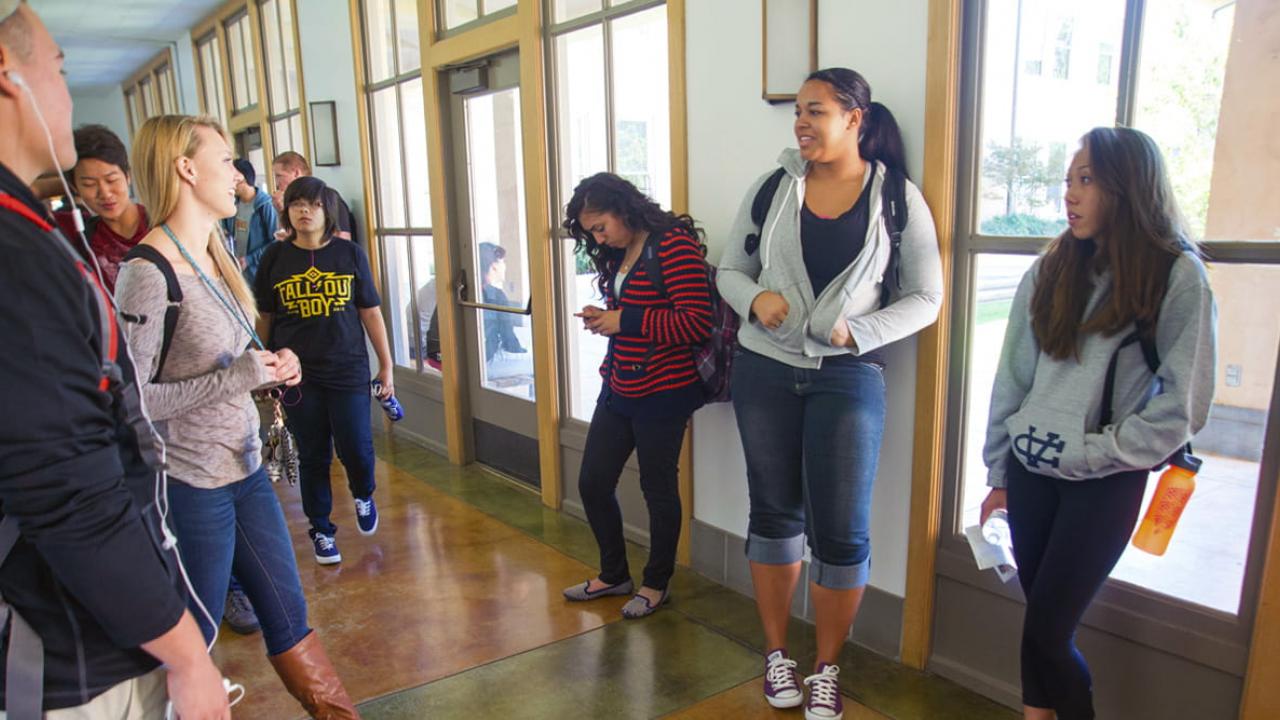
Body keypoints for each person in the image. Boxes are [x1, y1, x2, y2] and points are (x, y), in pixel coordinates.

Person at [0, 3, 229, 718]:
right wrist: (187, 656)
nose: (65, 92)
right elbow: (63, 483)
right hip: (74, 652)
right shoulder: (18, 256)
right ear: (11, 78)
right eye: (59, 70)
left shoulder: (26, 232)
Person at [716, 68, 943, 719]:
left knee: (842, 532)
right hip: (764, 369)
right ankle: (778, 655)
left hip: (848, 375)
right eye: (797, 113)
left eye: (815, 111)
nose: (802, 123)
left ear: (855, 119)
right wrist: (754, 297)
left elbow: (926, 297)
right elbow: (731, 268)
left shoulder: (897, 197)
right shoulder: (773, 187)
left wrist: (860, 330)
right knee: (774, 513)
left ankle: (826, 668)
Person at [115, 114, 360, 719]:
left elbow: (230, 358)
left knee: (288, 616)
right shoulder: (147, 274)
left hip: (245, 469)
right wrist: (240, 377)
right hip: (189, 484)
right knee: (193, 644)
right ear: (186, 168)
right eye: (226, 160)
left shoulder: (214, 252)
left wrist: (273, 365)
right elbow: (131, 402)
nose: (240, 174)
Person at [978, 127, 1216, 720]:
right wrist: (999, 473)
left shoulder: (1177, 276)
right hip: (1032, 473)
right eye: (1068, 181)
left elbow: (1182, 406)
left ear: (1126, 187)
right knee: (1039, 624)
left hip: (1104, 480)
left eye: (1086, 180)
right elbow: (1013, 378)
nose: (1070, 195)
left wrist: (1095, 451)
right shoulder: (1053, 267)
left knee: (1050, 631)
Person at [560, 172, 714, 619]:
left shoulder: (672, 244)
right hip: (621, 381)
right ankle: (614, 575)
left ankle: (656, 583)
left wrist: (623, 320)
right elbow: (638, 312)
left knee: (657, 488)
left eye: (601, 226)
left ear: (623, 209)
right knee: (592, 481)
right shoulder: (623, 250)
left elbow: (694, 322)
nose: (599, 239)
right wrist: (606, 317)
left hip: (665, 389)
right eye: (591, 232)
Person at [254, 176, 393, 566]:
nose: (304, 211)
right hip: (297, 375)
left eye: (312, 205)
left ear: (326, 210)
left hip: (347, 368)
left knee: (357, 447)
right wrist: (263, 365)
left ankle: (363, 493)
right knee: (313, 454)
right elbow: (266, 315)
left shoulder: (349, 255)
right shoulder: (275, 258)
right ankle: (321, 530)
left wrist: (386, 365)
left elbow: (370, 311)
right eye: (296, 204)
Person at [55, 123, 150, 291]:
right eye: (89, 184)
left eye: (111, 180)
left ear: (128, 176)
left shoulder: (158, 221)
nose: (105, 193)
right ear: (75, 188)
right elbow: (18, 192)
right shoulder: (79, 234)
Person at [270, 151, 360, 246]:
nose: (277, 183)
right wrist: (281, 211)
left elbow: (343, 240)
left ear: (296, 173)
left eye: (279, 176)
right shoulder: (290, 202)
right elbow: (292, 232)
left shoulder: (326, 196)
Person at [221, 157, 278, 284]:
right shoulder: (231, 205)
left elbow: (275, 241)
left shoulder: (265, 205)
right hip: (238, 271)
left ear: (246, 178)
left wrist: (250, 259)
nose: (233, 185)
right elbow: (226, 234)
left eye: (236, 180)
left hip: (260, 271)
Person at [477, 242, 528, 362]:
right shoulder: (496, 296)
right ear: (493, 267)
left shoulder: (465, 290)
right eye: (503, 262)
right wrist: (521, 351)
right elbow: (508, 339)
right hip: (483, 360)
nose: (505, 266)